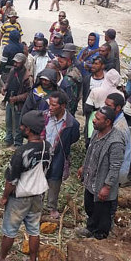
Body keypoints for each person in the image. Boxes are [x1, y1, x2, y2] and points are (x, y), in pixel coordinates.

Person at [0, 110, 51, 261]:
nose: (21, 127)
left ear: (28, 129)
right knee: (34, 230)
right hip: (37, 196)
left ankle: (0, 259)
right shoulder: (47, 146)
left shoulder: (22, 152)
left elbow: (11, 181)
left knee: (10, 230)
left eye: (23, 126)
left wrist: (4, 197)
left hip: (19, 197)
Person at [76, 106, 124, 240]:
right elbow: (90, 153)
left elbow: (115, 166)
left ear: (107, 122)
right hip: (91, 180)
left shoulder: (115, 141)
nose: (93, 121)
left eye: (97, 118)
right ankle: (90, 228)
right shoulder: (97, 133)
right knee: (90, 206)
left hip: (102, 183)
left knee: (102, 211)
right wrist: (84, 167)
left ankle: (100, 235)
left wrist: (107, 186)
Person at [44, 90, 80, 219]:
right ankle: (36, 205)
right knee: (39, 178)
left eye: (54, 105)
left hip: (58, 156)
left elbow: (74, 138)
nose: (50, 107)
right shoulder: (44, 117)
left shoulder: (72, 124)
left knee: (55, 180)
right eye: (50, 104)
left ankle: (51, 207)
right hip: (42, 154)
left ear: (63, 106)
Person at [1, 53, 33, 147]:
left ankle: (18, 143)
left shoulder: (28, 77)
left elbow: (30, 94)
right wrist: (4, 88)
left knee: (18, 124)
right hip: (9, 100)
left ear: (23, 63)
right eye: (15, 62)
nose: (15, 64)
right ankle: (8, 139)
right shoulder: (12, 70)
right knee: (8, 121)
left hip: (19, 104)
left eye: (17, 63)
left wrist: (16, 98)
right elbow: (8, 81)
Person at [105, 93, 131, 186]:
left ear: (118, 108)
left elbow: (117, 159)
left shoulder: (120, 128)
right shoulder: (112, 120)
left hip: (114, 172)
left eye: (108, 106)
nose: (105, 108)